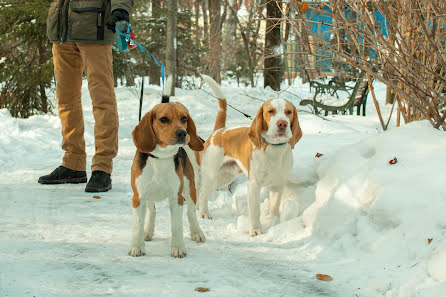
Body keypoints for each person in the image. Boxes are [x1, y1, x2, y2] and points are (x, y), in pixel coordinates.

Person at [38, 0, 134, 192]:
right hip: (62, 32)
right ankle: (73, 162)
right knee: (66, 100)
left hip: (94, 31)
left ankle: (102, 167)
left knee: (102, 100)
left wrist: (121, 10)